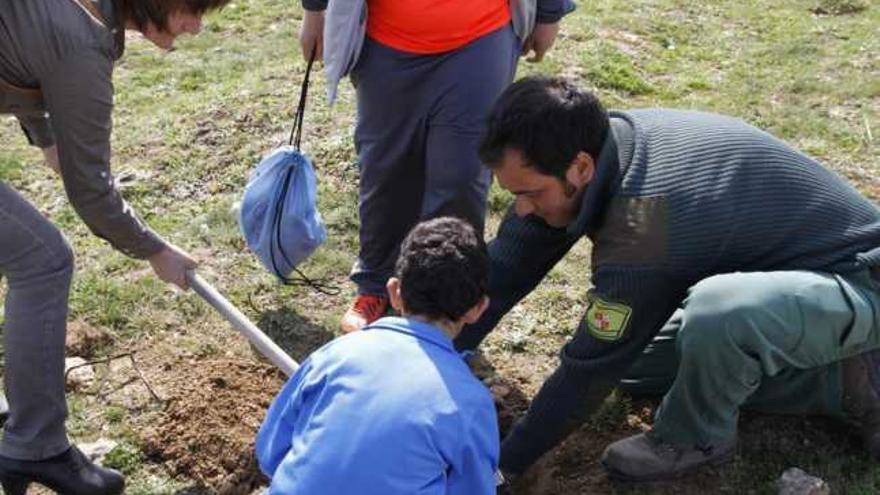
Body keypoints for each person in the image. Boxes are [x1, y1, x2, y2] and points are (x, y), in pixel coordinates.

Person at [455, 76, 880, 484]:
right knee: (635, 364)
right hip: (789, 286)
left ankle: (696, 437)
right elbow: (504, 270)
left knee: (716, 315)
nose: (523, 209)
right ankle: (834, 374)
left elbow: (588, 369)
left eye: (531, 193)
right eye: (515, 195)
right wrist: (421, 345)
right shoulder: (592, 144)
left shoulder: (642, 225)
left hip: (858, 282)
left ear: (581, 167)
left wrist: (503, 466)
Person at [0, 0, 229, 493]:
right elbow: (92, 193)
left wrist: (46, 136)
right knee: (42, 260)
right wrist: (155, 249)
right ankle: (35, 449)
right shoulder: (82, 39)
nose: (197, 26)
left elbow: (21, 45)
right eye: (193, 9)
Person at [296, 0, 574, 332]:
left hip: (480, 35)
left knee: (461, 179)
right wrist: (315, 11)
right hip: (385, 41)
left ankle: (449, 302)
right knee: (386, 173)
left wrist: (549, 12)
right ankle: (376, 284)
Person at [256, 217, 499, 494]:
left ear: (394, 292)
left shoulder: (336, 354)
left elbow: (271, 452)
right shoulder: (469, 401)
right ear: (478, 308)